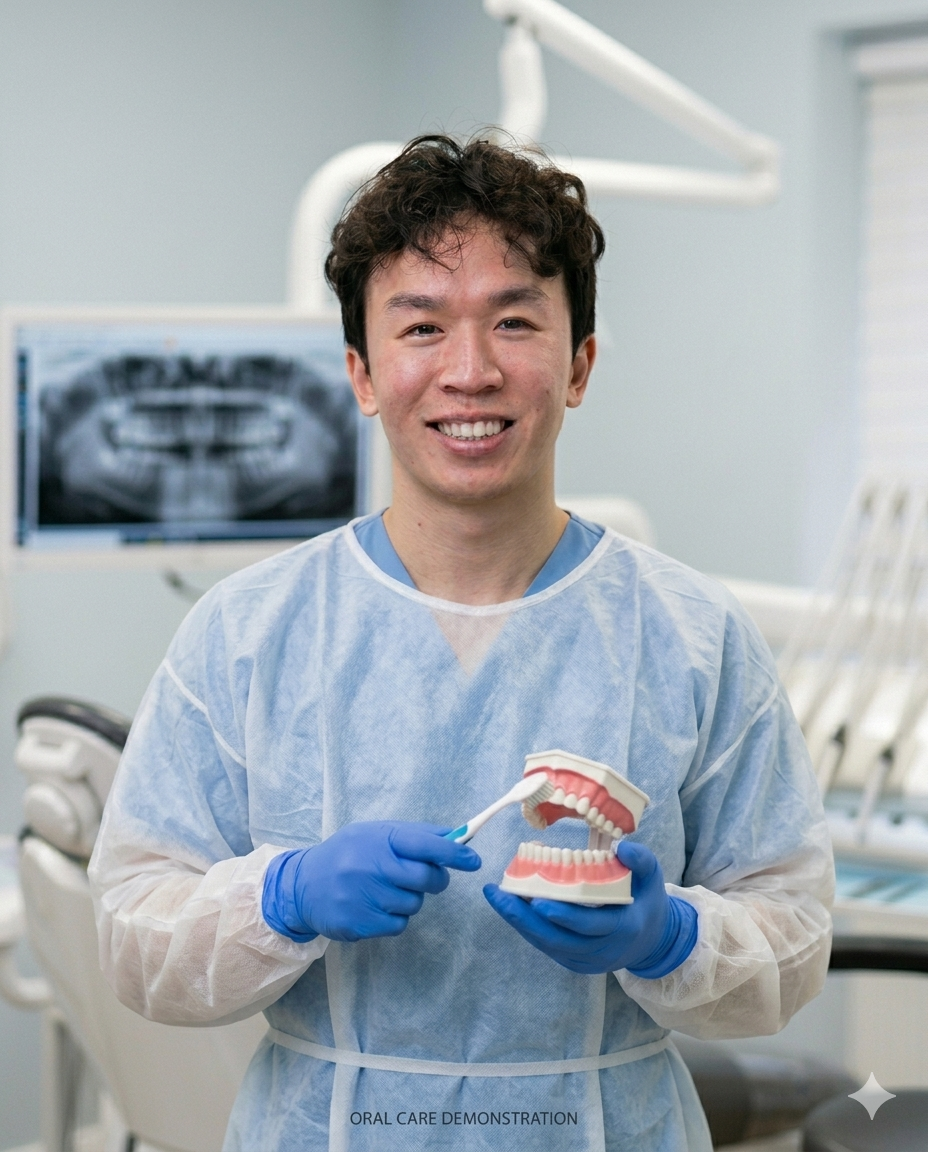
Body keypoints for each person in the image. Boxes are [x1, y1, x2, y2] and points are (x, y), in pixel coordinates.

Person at [89, 135, 834, 1152]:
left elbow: (790, 937)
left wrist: (671, 938)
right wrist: (283, 895)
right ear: (360, 372)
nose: (470, 372)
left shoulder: (692, 640)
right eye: (422, 327)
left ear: (577, 365)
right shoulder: (247, 635)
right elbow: (133, 937)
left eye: (515, 322)